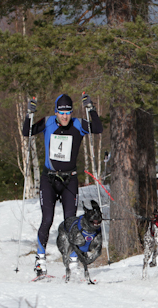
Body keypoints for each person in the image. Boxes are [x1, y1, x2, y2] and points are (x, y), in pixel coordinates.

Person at [23, 93, 103, 277]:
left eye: (68, 112)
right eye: (61, 112)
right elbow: (26, 132)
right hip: (49, 179)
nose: (65, 116)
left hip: (70, 179)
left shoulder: (78, 124)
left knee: (72, 221)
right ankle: (40, 261)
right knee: (47, 218)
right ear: (56, 112)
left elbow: (97, 128)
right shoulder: (48, 122)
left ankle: (73, 263)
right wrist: (29, 114)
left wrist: (91, 109)